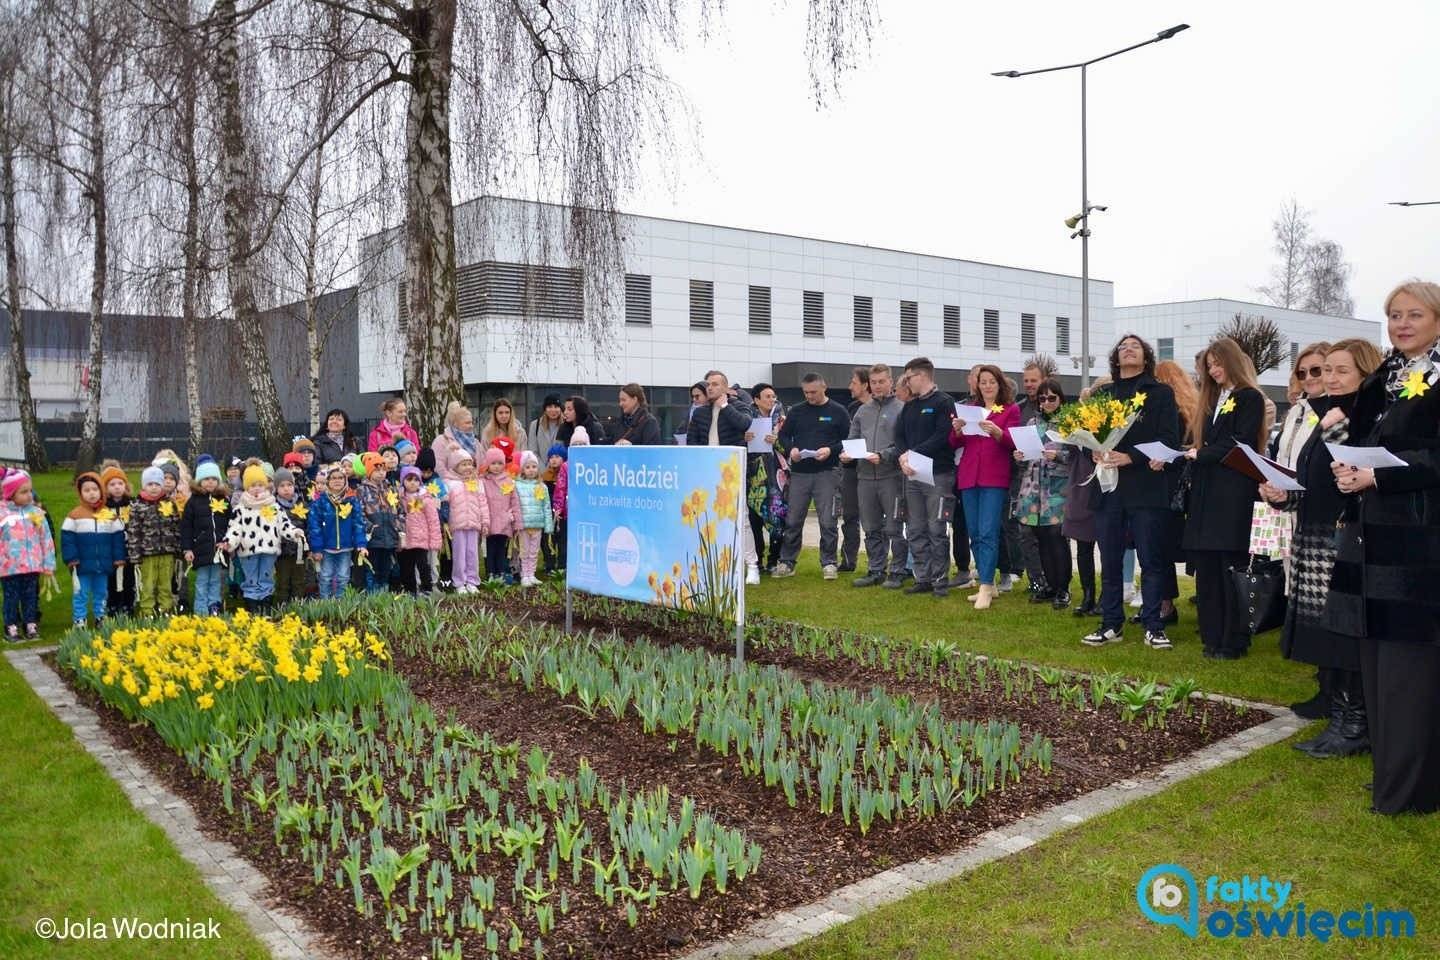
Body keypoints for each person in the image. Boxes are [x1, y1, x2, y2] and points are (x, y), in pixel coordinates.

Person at [1326, 281, 1440, 814]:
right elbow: (1363, 444)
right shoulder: (1382, 378)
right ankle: (1391, 774)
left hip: (1418, 545)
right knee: (1377, 665)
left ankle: (1410, 790)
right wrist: (1349, 470)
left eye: (1414, 314)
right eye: (1394, 315)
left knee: (1408, 671)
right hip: (1369, 537)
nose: (1402, 324)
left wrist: (1382, 477)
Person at [1261, 339, 1383, 756]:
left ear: (1366, 374)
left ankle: (1353, 725)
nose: (1329, 378)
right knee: (1328, 637)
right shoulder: (1328, 413)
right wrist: (1284, 496)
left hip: (1340, 541)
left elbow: (1354, 478)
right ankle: (1340, 716)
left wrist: (1334, 426)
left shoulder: (1362, 417)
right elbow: (1316, 483)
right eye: (1326, 369)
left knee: (1344, 638)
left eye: (1340, 371)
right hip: (1314, 537)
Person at [1085, 334, 1181, 649]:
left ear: (1146, 357)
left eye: (1135, 346)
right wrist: (1093, 450)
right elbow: (1086, 435)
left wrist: (1131, 457)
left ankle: (1154, 625)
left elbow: (1169, 439)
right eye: (1123, 346)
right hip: (1109, 488)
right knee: (1110, 559)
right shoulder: (1104, 394)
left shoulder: (1160, 393)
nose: (1128, 349)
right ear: (1116, 357)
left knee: (1151, 559)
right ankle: (1111, 623)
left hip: (1146, 488)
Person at [1180, 337, 1266, 659]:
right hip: (1206, 492)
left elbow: (1241, 442)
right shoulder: (1212, 399)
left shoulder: (1249, 397)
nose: (1214, 370)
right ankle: (1212, 636)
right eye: (1209, 366)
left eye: (1218, 363)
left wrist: (1201, 454)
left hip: (1233, 493)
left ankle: (1234, 639)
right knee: (1208, 570)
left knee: (1231, 567)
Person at [950, 364, 1021, 609]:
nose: (988, 386)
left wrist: (998, 433)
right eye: (983, 382)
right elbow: (955, 442)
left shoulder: (1010, 409)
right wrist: (957, 430)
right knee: (974, 532)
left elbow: (1014, 442)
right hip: (969, 476)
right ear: (977, 385)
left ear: (999, 384)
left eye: (992, 382)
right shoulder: (971, 409)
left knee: (988, 531)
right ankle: (987, 582)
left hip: (994, 477)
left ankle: (986, 584)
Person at [772, 373, 850, 579]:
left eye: (813, 392)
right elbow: (783, 435)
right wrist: (791, 449)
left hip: (827, 473)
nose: (809, 396)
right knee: (793, 519)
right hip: (800, 473)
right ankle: (787, 562)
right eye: (806, 392)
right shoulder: (797, 411)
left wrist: (831, 450)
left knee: (828, 520)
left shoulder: (838, 411)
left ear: (824, 387)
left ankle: (829, 562)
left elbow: (848, 439)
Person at [687, 370, 761, 583]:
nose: (710, 388)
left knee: (741, 518)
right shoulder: (700, 413)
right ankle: (716, 564)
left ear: (726, 387)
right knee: (709, 518)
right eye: (708, 384)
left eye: (715, 384)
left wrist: (725, 406)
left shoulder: (738, 406)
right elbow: (692, 442)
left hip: (732, 471)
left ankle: (752, 565)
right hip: (707, 471)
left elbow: (744, 424)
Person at [1143, 359, 1200, 628]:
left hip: (1164, 485)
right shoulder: (1193, 410)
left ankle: (1165, 604)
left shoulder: (1170, 411)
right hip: (1183, 489)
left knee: (1159, 549)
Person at [895, 357, 956, 597]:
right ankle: (923, 577)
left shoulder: (943, 402)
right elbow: (899, 435)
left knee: (936, 528)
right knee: (915, 527)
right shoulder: (910, 406)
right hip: (912, 473)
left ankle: (940, 580)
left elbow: (942, 436)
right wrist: (904, 456)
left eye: (909, 377)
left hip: (938, 473)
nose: (907, 382)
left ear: (922, 376)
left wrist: (914, 453)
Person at [843, 363, 905, 587]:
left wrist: (884, 455)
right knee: (870, 527)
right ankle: (875, 570)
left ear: (891, 382)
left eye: (881, 382)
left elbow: (904, 445)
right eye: (874, 382)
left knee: (894, 528)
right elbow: (852, 439)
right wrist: (847, 454)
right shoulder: (862, 411)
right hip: (865, 477)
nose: (877, 386)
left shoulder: (902, 409)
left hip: (892, 476)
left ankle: (898, 571)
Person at [1014, 379, 1073, 609]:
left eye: (1051, 398)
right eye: (1042, 398)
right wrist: (1019, 456)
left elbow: (1077, 457)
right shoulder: (1032, 423)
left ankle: (1063, 588)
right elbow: (1025, 460)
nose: (1047, 402)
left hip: (1057, 487)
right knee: (1040, 536)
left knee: (1056, 536)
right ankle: (1050, 585)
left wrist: (1057, 456)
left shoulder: (1069, 423)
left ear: (1060, 398)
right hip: (1033, 487)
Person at [225, 464, 307, 613]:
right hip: (249, 550)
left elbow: (284, 524)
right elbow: (234, 528)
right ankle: (252, 607)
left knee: (266, 577)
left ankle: (265, 606)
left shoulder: (273, 506)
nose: (257, 488)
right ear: (246, 487)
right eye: (252, 485)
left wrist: (294, 532)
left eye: (260, 485)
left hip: (269, 549)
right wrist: (229, 542)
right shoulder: (241, 508)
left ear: (265, 486)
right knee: (250, 578)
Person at [1004, 360, 1050, 599]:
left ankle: (1053, 579)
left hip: (1051, 481)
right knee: (1025, 532)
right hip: (1022, 478)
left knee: (1050, 534)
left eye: (1034, 380)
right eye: (1027, 381)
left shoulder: (1055, 407)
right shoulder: (1018, 409)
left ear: (1044, 380)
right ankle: (1035, 581)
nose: (1030, 385)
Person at [64, 471, 125, 626]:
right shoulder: (74, 516)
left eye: (95, 489)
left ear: (101, 491)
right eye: (87, 490)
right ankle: (80, 618)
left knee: (101, 592)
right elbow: (67, 540)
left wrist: (118, 557)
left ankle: (100, 616)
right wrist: (72, 558)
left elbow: (118, 539)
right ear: (80, 493)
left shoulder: (110, 516)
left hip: (103, 564)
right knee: (81, 592)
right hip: (82, 564)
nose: (91, 493)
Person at [1, 471, 55, 640]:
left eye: (30, 490)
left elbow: (46, 539)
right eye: (23, 492)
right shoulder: (3, 514)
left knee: (30, 596)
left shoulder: (36, 513)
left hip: (32, 565)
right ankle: (11, 626)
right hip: (9, 567)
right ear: (11, 494)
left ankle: (30, 624)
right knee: (11, 597)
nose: (29, 495)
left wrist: (48, 564)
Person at [126, 465, 182, 619]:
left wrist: (178, 548)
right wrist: (135, 555)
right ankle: (147, 612)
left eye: (157, 484)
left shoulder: (169, 504)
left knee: (166, 584)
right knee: (148, 584)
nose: (154, 487)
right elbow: (133, 531)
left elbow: (176, 527)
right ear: (144, 485)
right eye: (150, 484)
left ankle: (166, 610)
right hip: (147, 553)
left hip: (167, 552)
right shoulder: (137, 506)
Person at [178, 459, 230, 616]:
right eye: (206, 479)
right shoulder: (193, 502)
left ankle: (214, 607)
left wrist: (228, 542)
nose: (210, 482)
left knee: (216, 580)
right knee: (202, 581)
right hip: (200, 549)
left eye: (214, 479)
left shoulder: (223, 500)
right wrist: (187, 549)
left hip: (219, 550)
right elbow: (186, 527)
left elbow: (231, 523)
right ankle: (200, 611)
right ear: (199, 481)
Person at [306, 464, 367, 598]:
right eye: (333, 478)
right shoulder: (320, 503)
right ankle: (325, 601)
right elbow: (314, 527)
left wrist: (361, 544)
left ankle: (340, 602)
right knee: (325, 576)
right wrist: (316, 548)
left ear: (345, 481)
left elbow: (358, 524)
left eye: (340, 478)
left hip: (345, 547)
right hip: (326, 548)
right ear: (327, 481)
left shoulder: (352, 501)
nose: (337, 481)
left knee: (343, 576)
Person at [745, 383, 786, 573]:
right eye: (767, 396)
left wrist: (777, 441)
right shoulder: (747, 419)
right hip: (753, 478)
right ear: (756, 400)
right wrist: (744, 438)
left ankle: (774, 559)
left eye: (773, 396)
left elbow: (790, 448)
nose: (771, 400)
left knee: (777, 518)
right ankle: (757, 560)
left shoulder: (782, 421)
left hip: (776, 478)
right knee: (754, 520)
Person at [1273, 343, 1332, 470]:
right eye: (1302, 373)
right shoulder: (1295, 410)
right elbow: (1282, 456)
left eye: (1316, 370)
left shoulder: (1337, 412)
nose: (1308, 378)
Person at [837, 366, 869, 572]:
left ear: (865, 385)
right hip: (850, 469)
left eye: (854, 382)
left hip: (873, 469)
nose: (850, 386)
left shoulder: (881, 409)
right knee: (849, 515)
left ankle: (877, 563)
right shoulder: (852, 408)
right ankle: (848, 560)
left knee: (874, 519)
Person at [356, 452, 401, 592]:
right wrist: (370, 527)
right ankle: (372, 596)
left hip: (390, 536)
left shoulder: (390, 489)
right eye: (377, 470)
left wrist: (398, 527)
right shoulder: (362, 490)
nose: (381, 473)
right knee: (372, 569)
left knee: (386, 569)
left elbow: (400, 510)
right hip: (373, 538)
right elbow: (359, 513)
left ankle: (383, 594)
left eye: (383, 470)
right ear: (369, 471)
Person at [480, 447, 521, 583]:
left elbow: (514, 502)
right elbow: (482, 500)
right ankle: (491, 572)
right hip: (490, 521)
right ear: (488, 464)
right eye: (493, 463)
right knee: (490, 549)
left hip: (504, 522)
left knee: (502, 549)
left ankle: (502, 572)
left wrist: (516, 521)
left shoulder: (508, 481)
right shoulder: (483, 481)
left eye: (499, 463)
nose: (496, 467)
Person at [397, 465, 441, 594]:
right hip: (405, 539)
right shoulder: (399, 498)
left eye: (416, 480)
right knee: (407, 566)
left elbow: (433, 521)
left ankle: (427, 589)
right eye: (409, 479)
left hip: (421, 539)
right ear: (403, 481)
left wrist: (435, 541)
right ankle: (410, 590)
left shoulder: (425, 498)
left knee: (423, 565)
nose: (413, 483)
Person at [271, 468, 311, 605]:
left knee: (299, 581)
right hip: (282, 552)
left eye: (289, 485)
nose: (286, 489)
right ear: (276, 488)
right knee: (283, 582)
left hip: (299, 551)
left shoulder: (302, 503)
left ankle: (298, 607)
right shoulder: (273, 506)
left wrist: (309, 547)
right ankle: (282, 608)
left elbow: (308, 526)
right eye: (282, 486)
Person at [513, 451, 554, 587]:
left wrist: (548, 526)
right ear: (522, 469)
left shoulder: (542, 486)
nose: (531, 470)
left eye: (534, 467)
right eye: (528, 467)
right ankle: (524, 575)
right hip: (524, 525)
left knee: (534, 551)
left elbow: (546, 506)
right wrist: (516, 523)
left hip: (537, 524)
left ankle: (532, 574)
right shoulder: (517, 485)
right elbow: (515, 505)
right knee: (524, 551)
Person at [432, 400, 479, 480]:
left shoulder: (475, 442)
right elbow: (439, 467)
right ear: (456, 424)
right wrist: (458, 479)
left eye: (472, 422)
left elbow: (482, 465)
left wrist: (475, 476)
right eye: (467, 423)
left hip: (473, 484)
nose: (471, 426)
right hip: (451, 484)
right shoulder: (441, 441)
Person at [528, 395, 565, 459]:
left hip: (561, 465)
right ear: (545, 409)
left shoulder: (566, 425)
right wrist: (543, 466)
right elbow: (532, 451)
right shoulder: (535, 425)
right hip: (540, 465)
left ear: (560, 409)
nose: (553, 410)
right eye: (549, 407)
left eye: (556, 407)